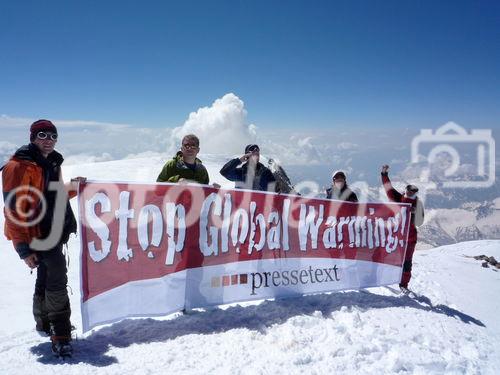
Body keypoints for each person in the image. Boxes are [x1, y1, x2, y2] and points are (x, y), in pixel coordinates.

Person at [1, 119, 84, 357]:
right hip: (35, 234)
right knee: (57, 277)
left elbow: (53, 196)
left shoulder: (51, 162)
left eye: (52, 136)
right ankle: (61, 334)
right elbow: (14, 210)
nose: (48, 140)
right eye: (43, 136)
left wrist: (74, 188)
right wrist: (23, 249)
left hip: (53, 230)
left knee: (47, 275)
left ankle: (45, 324)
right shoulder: (17, 167)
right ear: (33, 138)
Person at [381, 164, 424, 292]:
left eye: (414, 191)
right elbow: (388, 188)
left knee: (406, 263)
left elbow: (420, 221)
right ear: (405, 189)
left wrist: (414, 213)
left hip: (410, 238)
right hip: (395, 236)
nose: (411, 192)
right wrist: (384, 174)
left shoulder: (418, 203)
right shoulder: (397, 198)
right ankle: (382, 278)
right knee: (386, 258)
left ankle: (403, 285)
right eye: (409, 189)